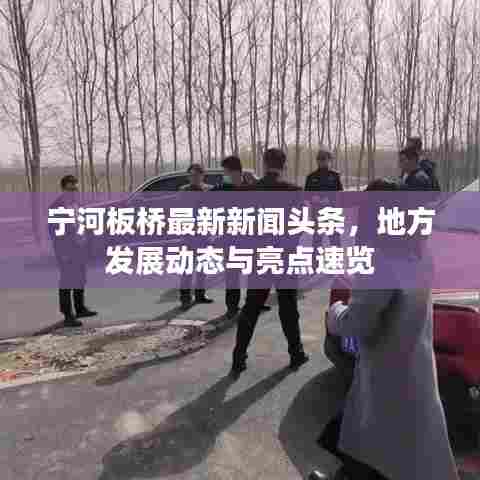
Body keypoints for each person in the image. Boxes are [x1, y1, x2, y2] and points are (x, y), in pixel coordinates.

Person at [310, 180, 459, 480]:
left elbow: (357, 324)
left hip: (386, 375)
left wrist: (334, 313)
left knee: (375, 452)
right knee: (401, 452)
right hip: (415, 366)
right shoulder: (418, 253)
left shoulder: (380, 261)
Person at [230, 148, 309, 378]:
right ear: (284, 166)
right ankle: (296, 354)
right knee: (288, 307)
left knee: (251, 308)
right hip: (285, 257)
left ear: (264, 164)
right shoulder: (295, 191)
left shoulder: (248, 191)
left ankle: (238, 359)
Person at [211, 155, 271, 318]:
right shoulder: (221, 189)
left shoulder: (251, 187)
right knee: (232, 274)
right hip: (230, 239)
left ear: (235, 171)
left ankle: (255, 303)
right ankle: (232, 307)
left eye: (225, 171)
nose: (224, 175)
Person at [49, 175, 97, 328]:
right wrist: (62, 253)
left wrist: (88, 244)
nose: (73, 191)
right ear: (63, 189)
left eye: (75, 188)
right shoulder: (56, 207)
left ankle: (80, 308)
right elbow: (55, 233)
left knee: (80, 279)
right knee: (67, 282)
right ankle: (68, 316)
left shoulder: (78, 204)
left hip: (80, 247)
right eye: (70, 189)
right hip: (66, 251)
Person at [178, 164, 214, 310]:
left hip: (204, 235)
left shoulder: (210, 190)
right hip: (188, 236)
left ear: (203, 175)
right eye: (191, 175)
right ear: (188, 176)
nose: (194, 178)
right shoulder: (183, 190)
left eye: (197, 175)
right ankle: (185, 298)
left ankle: (200, 295)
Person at [305, 147, 343, 248]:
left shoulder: (335, 176)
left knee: (335, 243)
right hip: (317, 213)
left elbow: (340, 193)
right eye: (319, 158)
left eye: (324, 158)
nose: (321, 161)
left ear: (329, 160)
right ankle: (315, 258)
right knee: (316, 243)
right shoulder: (311, 177)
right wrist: (313, 198)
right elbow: (306, 195)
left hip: (332, 213)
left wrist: (330, 199)